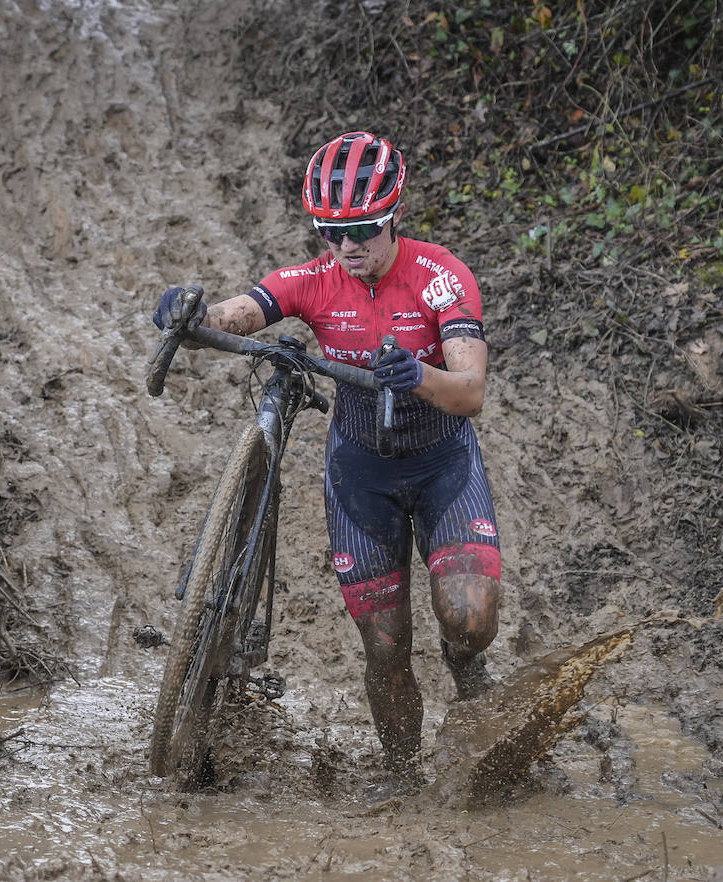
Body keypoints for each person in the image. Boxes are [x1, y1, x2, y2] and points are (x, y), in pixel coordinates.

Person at [153, 131, 502, 790]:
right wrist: (192, 315)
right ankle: (404, 780)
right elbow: (244, 311)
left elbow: (471, 393)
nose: (347, 246)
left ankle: (469, 668)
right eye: (331, 231)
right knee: (385, 645)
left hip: (441, 466)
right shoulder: (314, 281)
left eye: (364, 229)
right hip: (360, 474)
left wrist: (415, 375)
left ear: (394, 215)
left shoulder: (440, 277)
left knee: (469, 620)